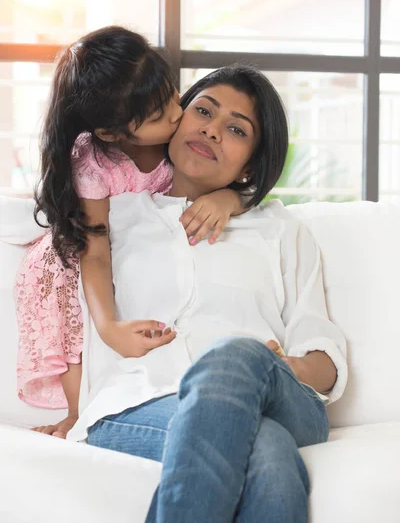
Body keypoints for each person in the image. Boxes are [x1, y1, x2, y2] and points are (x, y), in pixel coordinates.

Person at [68, 65, 347, 522]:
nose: (212, 130)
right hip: (134, 404)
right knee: (269, 453)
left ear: (252, 162)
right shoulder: (116, 216)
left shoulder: (279, 229)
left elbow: (323, 354)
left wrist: (271, 366)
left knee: (233, 356)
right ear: (174, 118)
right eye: (203, 111)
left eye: (236, 129)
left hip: (276, 393)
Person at [13, 26, 244, 439]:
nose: (177, 114)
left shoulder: (180, 129)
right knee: (67, 288)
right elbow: (94, 249)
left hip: (139, 246)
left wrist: (229, 198)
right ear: (112, 132)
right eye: (158, 116)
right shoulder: (94, 160)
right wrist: (108, 325)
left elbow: (237, 174)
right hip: (83, 249)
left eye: (173, 95)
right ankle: (77, 412)